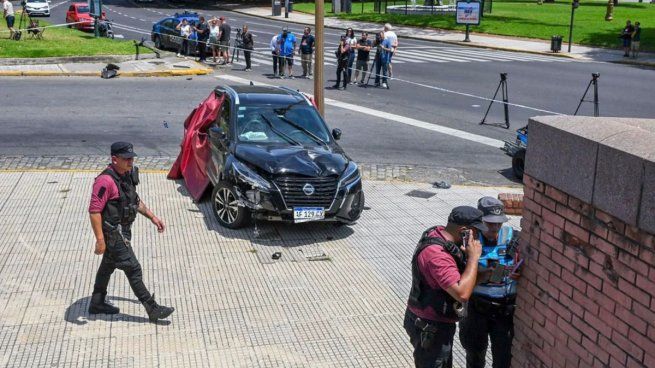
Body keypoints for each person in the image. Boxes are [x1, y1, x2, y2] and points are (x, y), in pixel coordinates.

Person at [88, 142, 174, 322]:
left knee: (108, 265)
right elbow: (94, 211)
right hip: (113, 234)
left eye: (132, 158)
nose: (130, 161)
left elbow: (134, 201)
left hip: (123, 231)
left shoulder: (126, 175)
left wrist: (153, 217)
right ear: (114, 159)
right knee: (133, 268)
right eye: (126, 159)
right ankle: (152, 308)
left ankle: (96, 302)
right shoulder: (105, 181)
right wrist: (100, 240)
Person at [404, 206, 484, 368]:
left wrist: (485, 275)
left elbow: (456, 281)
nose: (477, 237)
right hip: (431, 327)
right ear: (464, 231)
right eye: (476, 232)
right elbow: (462, 294)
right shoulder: (438, 255)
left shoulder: (440, 234)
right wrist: (473, 258)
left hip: (434, 322)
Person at [459, 197, 521, 368]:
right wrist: (479, 273)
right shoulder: (467, 241)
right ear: (480, 221)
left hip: (504, 311)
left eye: (498, 223)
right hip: (476, 309)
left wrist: (519, 274)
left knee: (503, 360)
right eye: (490, 223)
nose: (495, 228)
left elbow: (525, 266)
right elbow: (457, 277)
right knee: (474, 356)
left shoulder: (514, 238)